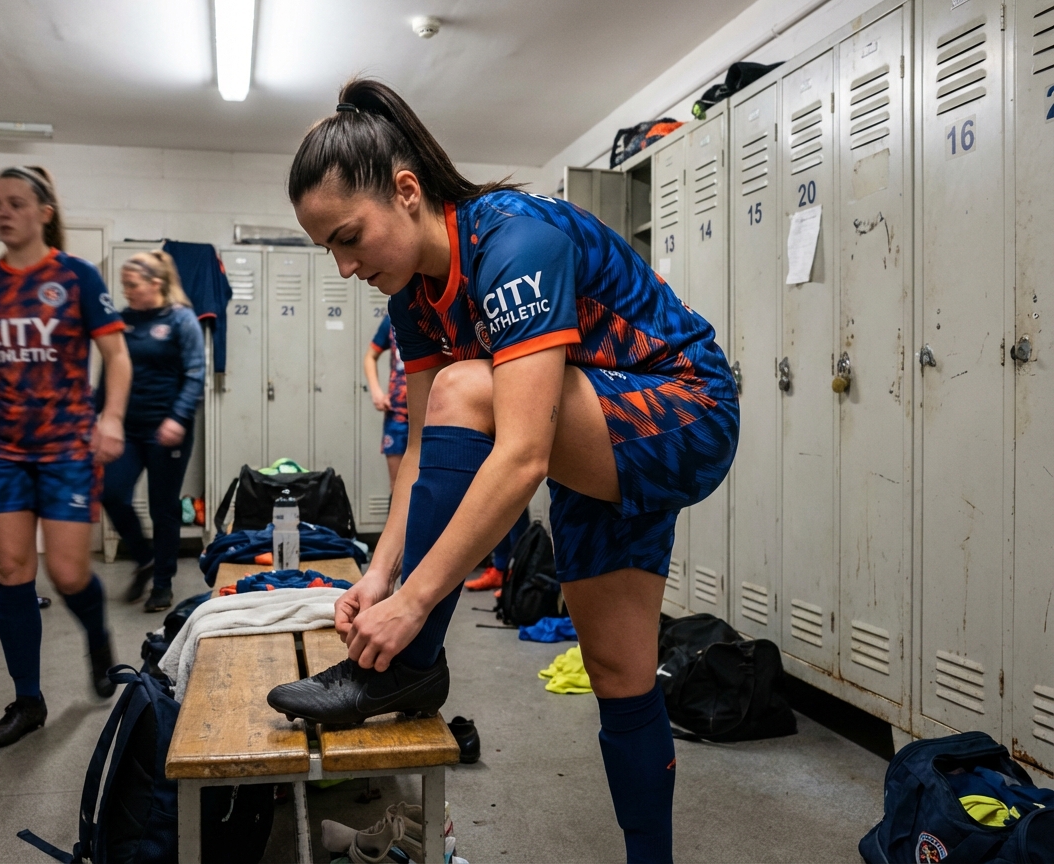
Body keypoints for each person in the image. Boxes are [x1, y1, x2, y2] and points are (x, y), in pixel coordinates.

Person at [266, 81, 738, 863]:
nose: (345, 265)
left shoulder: (515, 240)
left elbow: (518, 454)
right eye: (330, 250)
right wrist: (379, 574)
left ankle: (409, 671)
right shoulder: (414, 302)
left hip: (684, 408)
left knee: (466, 385)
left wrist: (412, 608)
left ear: (407, 192)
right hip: (591, 428)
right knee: (618, 670)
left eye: (350, 237)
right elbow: (419, 453)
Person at [0, 166, 132, 749]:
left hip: (68, 445)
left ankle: (97, 636)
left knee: (69, 572)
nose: (2, 213)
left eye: (15, 203)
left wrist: (111, 417)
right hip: (0, 448)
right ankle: (28, 700)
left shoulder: (75, 277)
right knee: (13, 572)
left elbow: (115, 356)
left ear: (44, 211)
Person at [99, 250, 205, 613]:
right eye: (124, 285)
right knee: (110, 492)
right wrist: (100, 416)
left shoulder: (181, 319)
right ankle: (143, 558)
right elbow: (108, 371)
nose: (126, 291)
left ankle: (162, 583)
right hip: (127, 428)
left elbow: (195, 374)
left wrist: (177, 417)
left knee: (163, 509)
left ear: (155, 283)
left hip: (167, 429)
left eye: (133, 285)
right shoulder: (123, 321)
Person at [363, 314, 409, 489]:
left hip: (430, 414)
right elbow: (370, 356)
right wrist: (376, 392)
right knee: (397, 485)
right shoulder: (392, 318)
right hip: (397, 415)